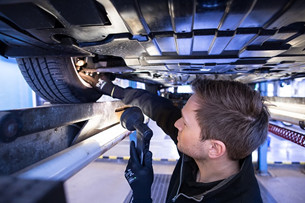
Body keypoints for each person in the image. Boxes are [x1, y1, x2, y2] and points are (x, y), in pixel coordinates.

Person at [80, 72, 269, 203]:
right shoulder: (210, 148)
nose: (176, 124)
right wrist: (114, 90)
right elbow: (162, 109)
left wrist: (142, 196)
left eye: (184, 123)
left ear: (215, 149)